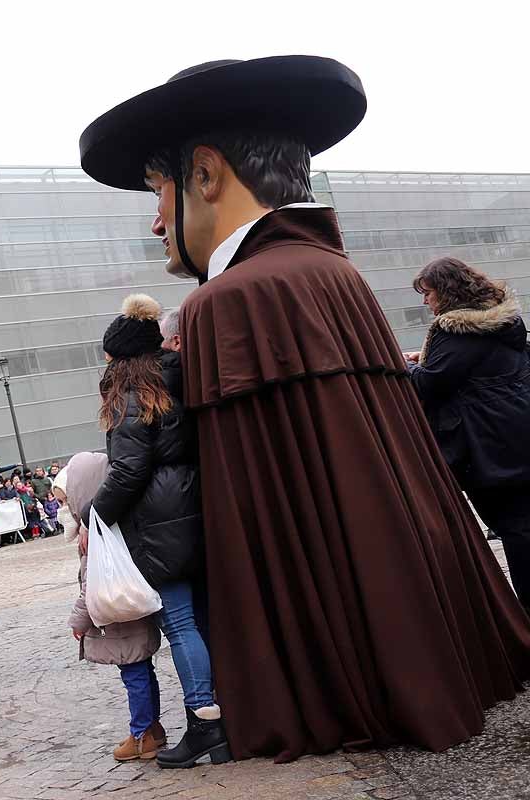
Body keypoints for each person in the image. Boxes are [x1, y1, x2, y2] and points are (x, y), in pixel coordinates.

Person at [79, 55, 530, 763]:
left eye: (158, 188)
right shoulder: (330, 270)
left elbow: (262, 511)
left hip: (342, 674)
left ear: (205, 174)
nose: (157, 218)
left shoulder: (230, 299)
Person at [80, 294, 214, 767]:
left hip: (159, 519)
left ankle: (205, 720)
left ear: (122, 358)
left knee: (179, 623)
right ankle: (223, 711)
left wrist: (92, 516)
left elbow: (129, 469)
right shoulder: (179, 377)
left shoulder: (132, 395)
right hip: (195, 503)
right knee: (202, 619)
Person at [406, 257, 530, 611]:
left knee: (516, 531)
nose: (425, 302)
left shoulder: (455, 330)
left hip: (490, 449)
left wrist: (408, 366)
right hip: (518, 433)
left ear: (445, 292)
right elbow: (475, 365)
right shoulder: (504, 321)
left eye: (427, 293)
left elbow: (431, 385)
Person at [64, 450, 166, 760]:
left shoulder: (93, 532)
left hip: (118, 617)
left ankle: (142, 734)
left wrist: (78, 621)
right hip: (135, 611)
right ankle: (152, 729)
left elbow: (89, 586)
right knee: (144, 670)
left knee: (133, 674)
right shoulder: (121, 517)